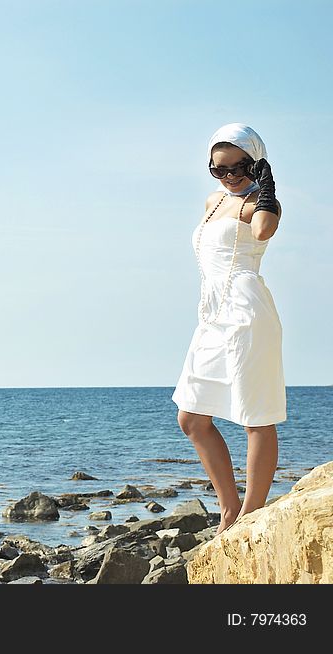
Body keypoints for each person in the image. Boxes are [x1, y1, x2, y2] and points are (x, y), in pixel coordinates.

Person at [171, 122, 285, 536]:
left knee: (257, 416)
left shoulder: (259, 202)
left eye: (240, 166)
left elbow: (264, 230)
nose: (230, 175)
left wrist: (266, 185)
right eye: (219, 169)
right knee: (191, 418)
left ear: (256, 163)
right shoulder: (213, 201)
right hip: (212, 315)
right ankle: (228, 508)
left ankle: (251, 514)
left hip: (246, 311)